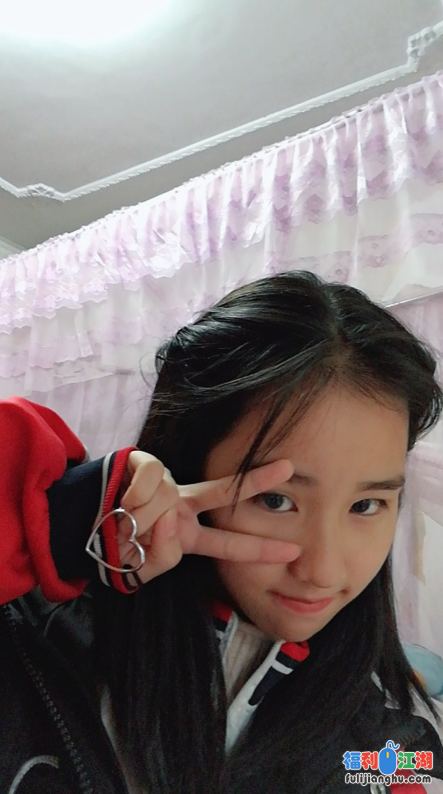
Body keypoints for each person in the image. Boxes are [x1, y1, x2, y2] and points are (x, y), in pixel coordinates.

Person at [1, 270, 443, 794]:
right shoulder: (39, 635)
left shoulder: (388, 746)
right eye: (275, 500)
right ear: (186, 469)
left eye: (366, 505)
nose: (322, 571)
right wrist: (52, 528)